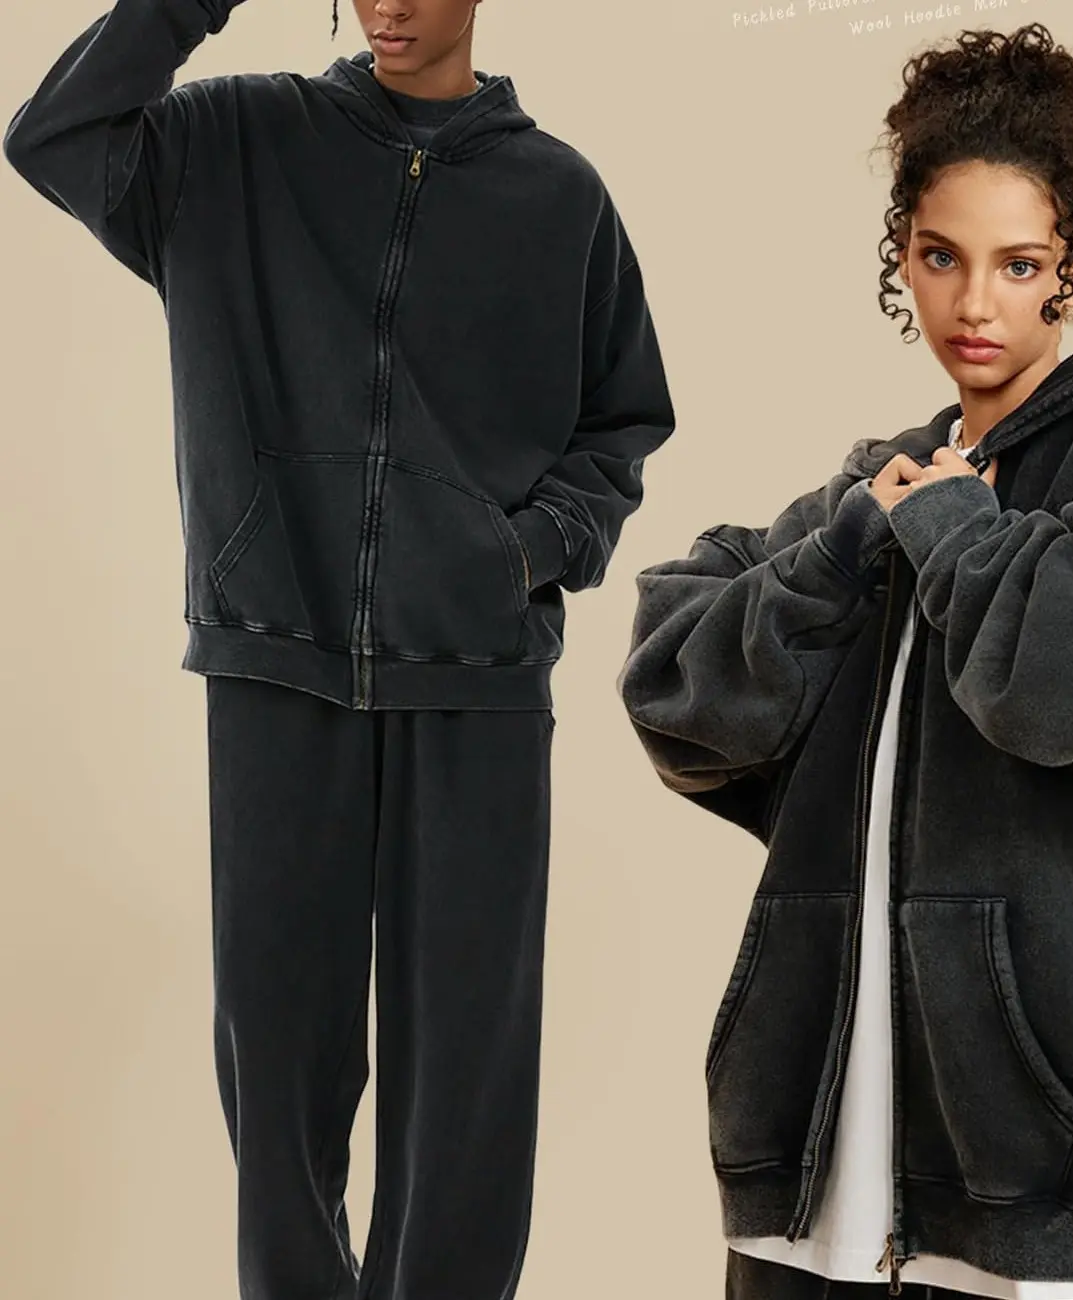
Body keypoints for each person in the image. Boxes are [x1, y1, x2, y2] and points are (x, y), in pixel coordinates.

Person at [5, 1, 674, 1297]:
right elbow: (54, 136)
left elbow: (623, 419)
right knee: (278, 1067)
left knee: (466, 1074)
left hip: (477, 683)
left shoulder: (560, 199)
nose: (387, 4)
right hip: (274, 654)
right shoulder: (234, 144)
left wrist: (526, 554)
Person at [617, 23, 1073, 1300]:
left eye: (1019, 265)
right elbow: (677, 689)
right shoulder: (885, 489)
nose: (973, 305)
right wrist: (847, 548)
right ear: (900, 255)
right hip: (824, 1166)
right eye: (941, 256)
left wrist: (956, 536)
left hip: (1067, 1180)